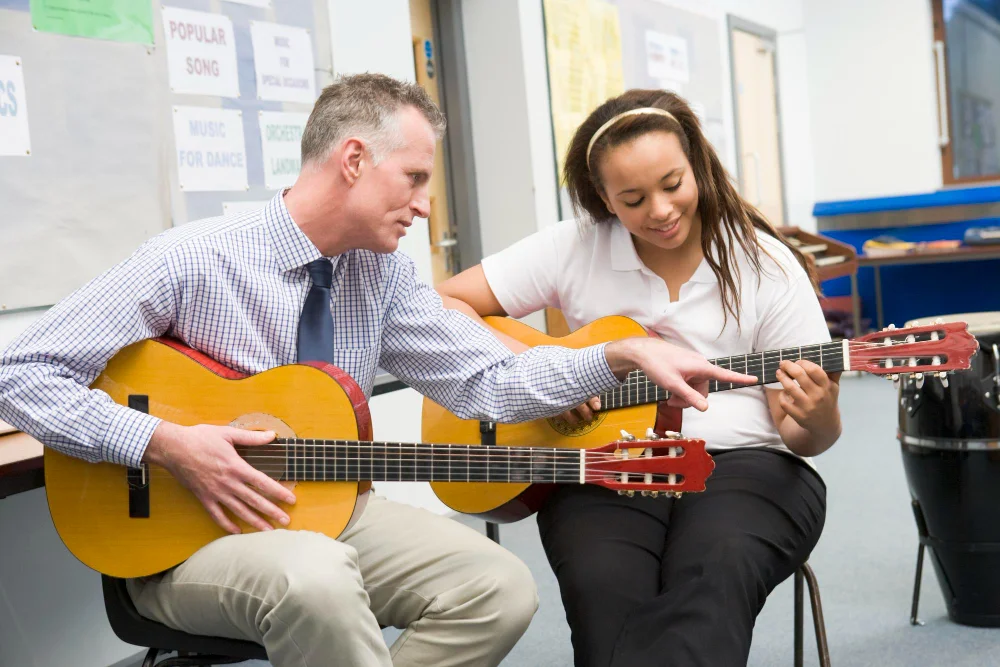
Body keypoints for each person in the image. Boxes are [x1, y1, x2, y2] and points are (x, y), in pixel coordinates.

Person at [0, 75, 755, 667]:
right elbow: (22, 370)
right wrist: (165, 442)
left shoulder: (383, 276)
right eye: (416, 178)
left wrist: (614, 355)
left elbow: (487, 380)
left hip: (328, 509)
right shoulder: (192, 259)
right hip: (187, 542)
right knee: (317, 579)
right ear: (354, 160)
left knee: (496, 590)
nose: (427, 207)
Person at [436, 88, 841, 667]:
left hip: (748, 463)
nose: (659, 210)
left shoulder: (764, 264)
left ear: (697, 166)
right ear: (603, 198)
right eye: (632, 198)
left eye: (673, 184)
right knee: (603, 587)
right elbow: (443, 304)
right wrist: (540, 371)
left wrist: (819, 414)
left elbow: (807, 440)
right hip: (606, 460)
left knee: (713, 571)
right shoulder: (574, 246)